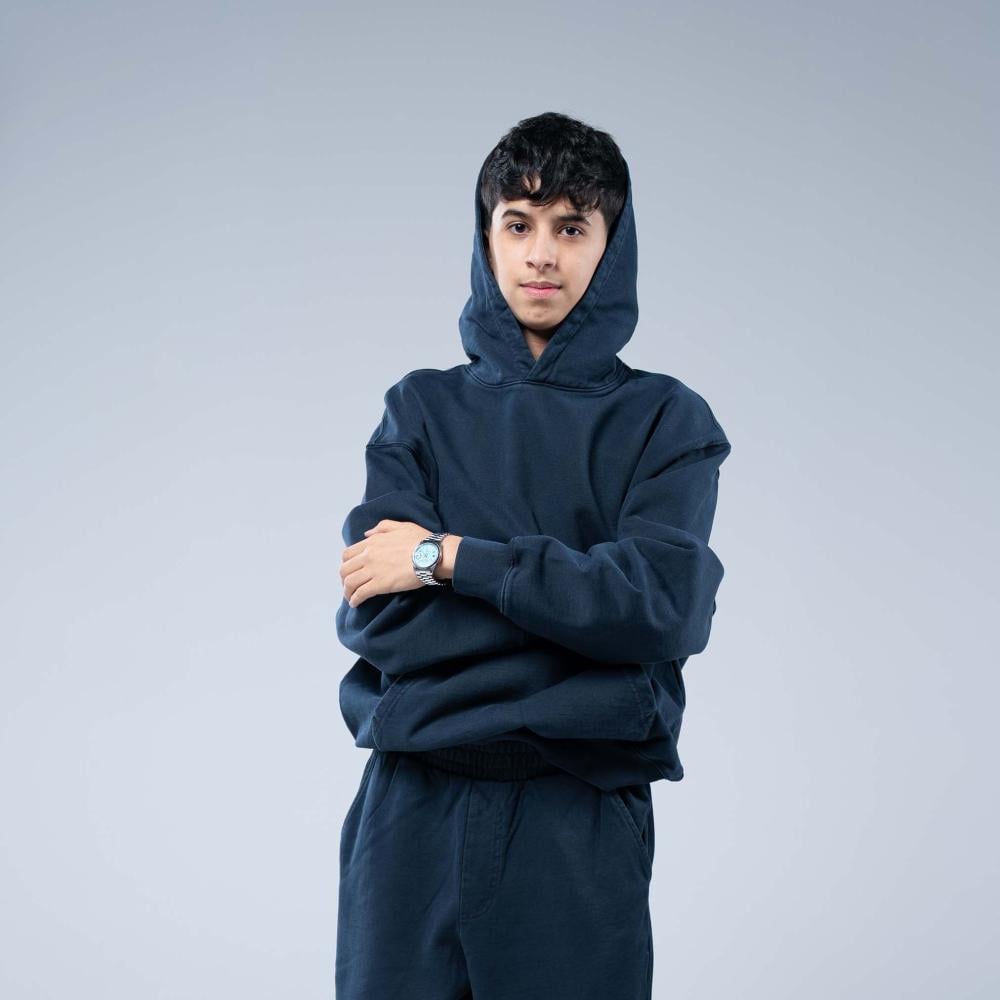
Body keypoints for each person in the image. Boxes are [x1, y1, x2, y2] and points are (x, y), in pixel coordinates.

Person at [334, 110, 732, 999]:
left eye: (571, 228)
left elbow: (664, 607)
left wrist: (448, 559)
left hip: (573, 816)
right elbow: (384, 619)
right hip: (411, 817)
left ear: (611, 247)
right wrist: (579, 629)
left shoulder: (666, 421)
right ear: (487, 239)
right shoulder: (419, 410)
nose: (541, 255)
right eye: (518, 224)